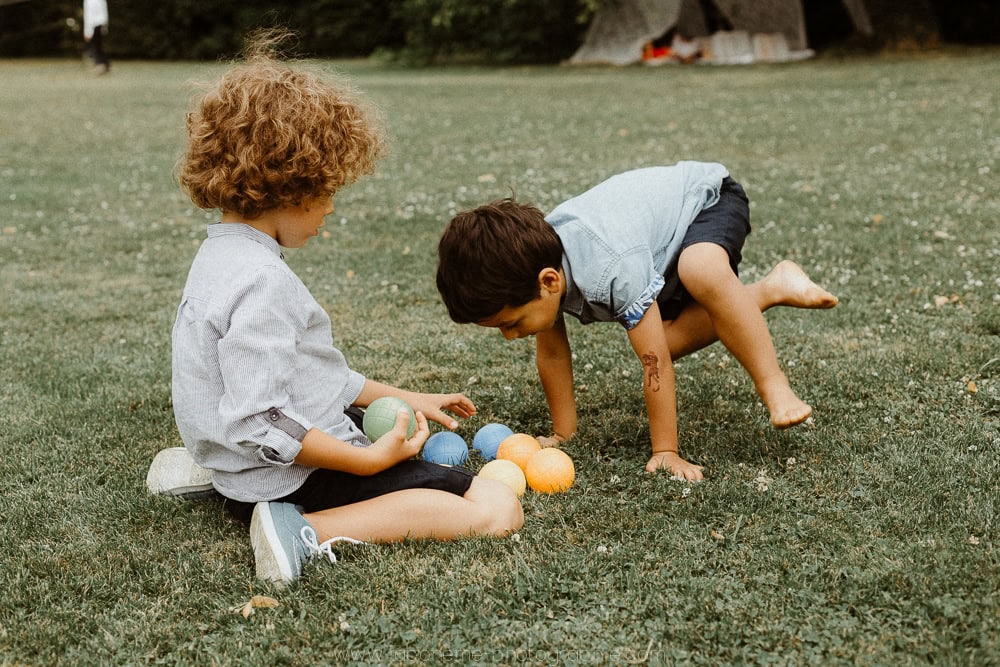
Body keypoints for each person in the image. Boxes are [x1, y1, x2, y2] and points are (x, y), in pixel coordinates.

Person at [171, 31, 523, 586]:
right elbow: (261, 415)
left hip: (242, 470)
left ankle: (215, 471)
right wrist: (365, 462)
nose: (331, 206)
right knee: (496, 506)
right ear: (290, 186)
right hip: (285, 482)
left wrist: (406, 397)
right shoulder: (262, 283)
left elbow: (303, 374)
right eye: (326, 189)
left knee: (392, 433)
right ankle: (304, 531)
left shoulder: (220, 254)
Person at [436, 161, 838, 482]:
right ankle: (769, 289)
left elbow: (654, 363)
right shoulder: (537, 268)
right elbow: (554, 356)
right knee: (668, 340)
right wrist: (563, 435)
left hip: (704, 201)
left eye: (512, 323)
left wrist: (665, 452)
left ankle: (774, 385)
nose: (510, 336)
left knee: (698, 269)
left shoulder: (611, 269)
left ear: (549, 282)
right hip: (653, 244)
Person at [83, 0, 110, 74]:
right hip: (101, 25)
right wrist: (105, 27)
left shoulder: (89, 1)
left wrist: (87, 32)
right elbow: (105, 14)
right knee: (99, 46)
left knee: (95, 47)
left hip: (94, 26)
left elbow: (88, 16)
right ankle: (105, 65)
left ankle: (100, 65)